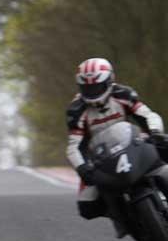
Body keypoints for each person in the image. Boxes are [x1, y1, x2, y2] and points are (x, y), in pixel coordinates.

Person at [66, 58, 168, 226]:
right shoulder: (76, 110)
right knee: (87, 206)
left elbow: (148, 115)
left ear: (109, 81)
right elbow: (73, 146)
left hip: (132, 144)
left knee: (165, 146)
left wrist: (156, 132)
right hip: (100, 159)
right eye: (87, 88)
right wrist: (82, 168)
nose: (92, 91)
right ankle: (120, 218)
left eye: (96, 86)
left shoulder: (123, 94)